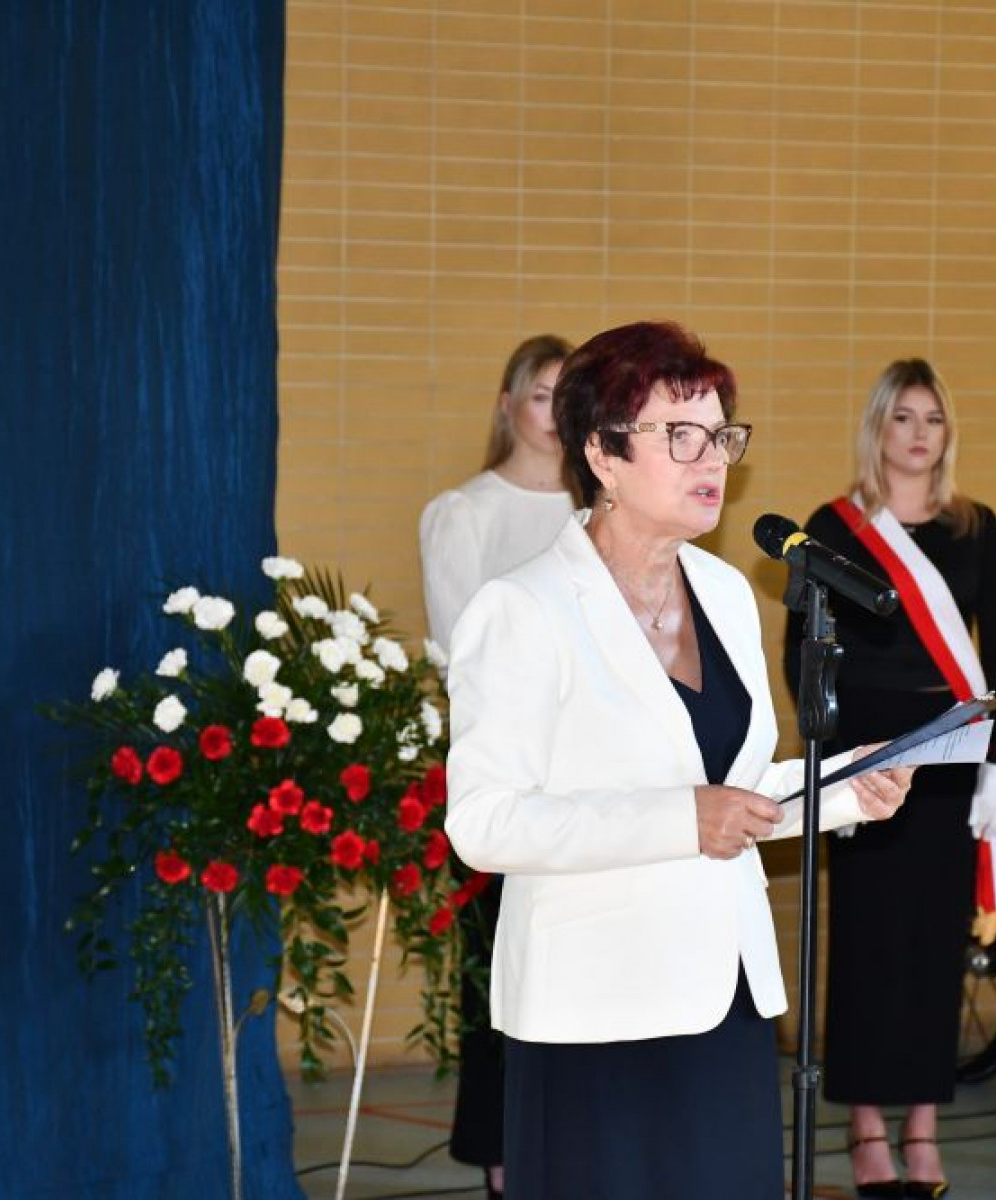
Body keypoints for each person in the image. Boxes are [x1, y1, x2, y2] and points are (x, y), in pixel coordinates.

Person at [443, 321, 914, 1200]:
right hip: (593, 1010)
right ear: (603, 454)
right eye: (681, 436)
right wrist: (677, 820)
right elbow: (484, 822)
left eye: (721, 435)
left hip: (722, 998)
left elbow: (734, 793)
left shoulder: (727, 593)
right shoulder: (522, 609)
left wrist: (850, 787)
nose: (714, 460)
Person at [781, 358, 996, 1199]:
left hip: (951, 757)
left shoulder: (976, 528)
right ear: (877, 427)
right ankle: (864, 1126)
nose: (920, 435)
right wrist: (834, 757)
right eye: (904, 418)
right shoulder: (833, 527)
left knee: (932, 947)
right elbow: (802, 652)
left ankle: (922, 1125)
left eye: (934, 419)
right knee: (867, 946)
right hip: (869, 759)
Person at [418, 334, 575, 1200]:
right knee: (500, 970)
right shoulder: (465, 513)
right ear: (509, 406)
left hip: (593, 782)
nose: (555, 413)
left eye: (569, 396)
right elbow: (461, 654)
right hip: (508, 778)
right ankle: (502, 1153)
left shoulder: (602, 514)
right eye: (542, 394)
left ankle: (573, 1145)